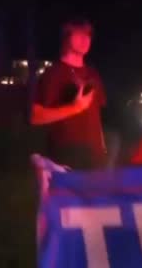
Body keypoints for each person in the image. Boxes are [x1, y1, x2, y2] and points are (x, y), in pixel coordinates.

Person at [31, 18, 107, 170]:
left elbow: (96, 117)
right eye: (79, 35)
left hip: (95, 159)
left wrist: (103, 149)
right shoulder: (53, 74)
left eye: (88, 35)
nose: (85, 40)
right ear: (66, 38)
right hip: (66, 160)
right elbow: (35, 116)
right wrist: (75, 108)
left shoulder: (93, 73)